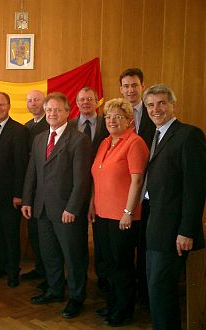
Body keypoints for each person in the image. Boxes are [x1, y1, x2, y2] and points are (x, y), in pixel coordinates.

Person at [21, 92, 92, 319]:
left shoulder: (79, 139)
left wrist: (72, 208)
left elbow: (82, 180)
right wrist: (27, 200)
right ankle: (54, 290)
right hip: (41, 208)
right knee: (49, 254)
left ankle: (76, 297)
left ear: (67, 112)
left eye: (57, 110)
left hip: (66, 211)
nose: (52, 113)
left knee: (73, 256)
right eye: (49, 109)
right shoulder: (40, 138)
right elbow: (32, 172)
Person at [143, 84, 205, 330]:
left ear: (172, 105)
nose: (155, 109)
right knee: (156, 288)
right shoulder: (155, 135)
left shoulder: (189, 135)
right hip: (155, 224)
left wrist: (187, 230)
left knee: (161, 288)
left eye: (161, 103)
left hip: (174, 230)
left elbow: (196, 188)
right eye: (150, 105)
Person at [88, 98, 149, 327]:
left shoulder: (135, 143)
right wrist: (92, 204)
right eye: (109, 117)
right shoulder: (105, 142)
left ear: (129, 120)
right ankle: (112, 304)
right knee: (108, 265)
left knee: (122, 265)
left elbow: (138, 181)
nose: (112, 121)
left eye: (118, 116)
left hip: (123, 217)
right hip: (102, 214)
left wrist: (128, 211)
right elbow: (96, 177)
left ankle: (124, 311)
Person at [0, 92, 29, 288]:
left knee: (11, 234)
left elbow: (21, 165)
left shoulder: (19, 130)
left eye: (1, 105)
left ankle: (12, 270)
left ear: (9, 106)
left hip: (10, 196)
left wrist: (19, 194)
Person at [119, 68, 156, 305]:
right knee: (123, 249)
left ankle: (144, 292)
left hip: (148, 192)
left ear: (142, 86)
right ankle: (123, 291)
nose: (130, 90)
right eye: (126, 86)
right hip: (122, 193)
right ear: (121, 89)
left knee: (144, 246)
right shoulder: (115, 114)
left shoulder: (153, 113)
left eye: (135, 85)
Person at [69, 87, 109, 292]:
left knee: (101, 238)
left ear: (97, 102)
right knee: (78, 237)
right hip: (76, 189)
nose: (85, 102)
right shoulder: (70, 125)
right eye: (81, 99)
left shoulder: (107, 123)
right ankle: (80, 280)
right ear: (76, 103)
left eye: (89, 99)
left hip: (102, 188)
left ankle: (103, 278)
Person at [21, 90, 48, 285]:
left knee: (46, 235)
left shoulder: (51, 125)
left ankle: (49, 273)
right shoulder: (27, 126)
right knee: (34, 234)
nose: (33, 103)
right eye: (29, 100)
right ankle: (40, 268)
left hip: (46, 189)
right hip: (31, 187)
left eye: (36, 100)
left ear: (44, 103)